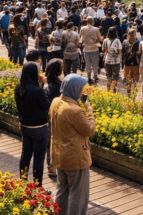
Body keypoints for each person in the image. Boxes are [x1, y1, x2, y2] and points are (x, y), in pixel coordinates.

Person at [50, 74, 95, 215]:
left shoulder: (56, 102)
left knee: (61, 191)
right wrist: (89, 110)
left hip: (59, 155)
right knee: (78, 196)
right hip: (75, 158)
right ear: (74, 89)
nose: (82, 91)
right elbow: (90, 130)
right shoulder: (75, 111)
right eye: (81, 88)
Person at [14, 62, 51, 189]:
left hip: (25, 126)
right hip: (39, 128)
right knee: (38, 158)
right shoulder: (37, 91)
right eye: (38, 71)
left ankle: (23, 182)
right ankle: (37, 187)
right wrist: (46, 85)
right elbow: (48, 106)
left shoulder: (19, 87)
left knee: (25, 155)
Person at [44, 58, 63, 179]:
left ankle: (51, 167)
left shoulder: (46, 83)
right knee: (55, 143)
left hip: (46, 118)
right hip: (56, 118)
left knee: (49, 143)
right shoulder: (58, 87)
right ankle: (54, 167)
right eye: (61, 67)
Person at [79, 18, 103, 85]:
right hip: (94, 49)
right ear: (92, 22)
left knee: (88, 64)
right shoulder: (96, 29)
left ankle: (88, 77)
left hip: (86, 49)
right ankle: (95, 77)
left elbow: (81, 38)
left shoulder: (82, 28)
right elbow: (100, 38)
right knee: (95, 64)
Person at [101, 28, 122, 93]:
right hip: (116, 61)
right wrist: (120, 59)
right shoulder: (117, 40)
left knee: (108, 76)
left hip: (107, 60)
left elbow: (103, 50)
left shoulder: (105, 40)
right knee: (115, 76)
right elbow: (120, 51)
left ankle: (108, 91)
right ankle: (114, 91)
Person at [122, 29, 140, 96]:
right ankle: (134, 95)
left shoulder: (125, 42)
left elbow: (123, 52)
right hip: (136, 64)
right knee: (135, 81)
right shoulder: (138, 42)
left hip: (127, 63)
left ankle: (129, 94)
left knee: (128, 81)